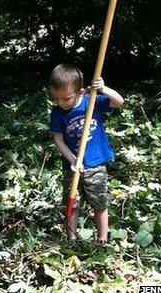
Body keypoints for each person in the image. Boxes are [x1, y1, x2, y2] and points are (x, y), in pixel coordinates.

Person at [49, 63, 124, 245]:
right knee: (72, 203)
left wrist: (103, 88)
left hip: (95, 163)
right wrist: (72, 159)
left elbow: (119, 102)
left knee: (99, 204)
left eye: (66, 98)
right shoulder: (57, 113)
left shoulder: (91, 101)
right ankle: (72, 239)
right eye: (56, 98)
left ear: (81, 91)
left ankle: (102, 239)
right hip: (72, 166)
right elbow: (58, 139)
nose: (60, 103)